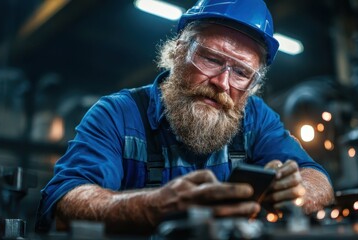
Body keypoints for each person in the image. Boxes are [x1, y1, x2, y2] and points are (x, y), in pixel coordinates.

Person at [36, 0, 334, 235]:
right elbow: (65, 199)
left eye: (241, 72)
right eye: (211, 59)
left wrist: (297, 190)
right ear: (178, 52)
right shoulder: (116, 115)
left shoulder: (256, 118)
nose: (222, 82)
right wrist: (155, 207)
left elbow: (318, 179)